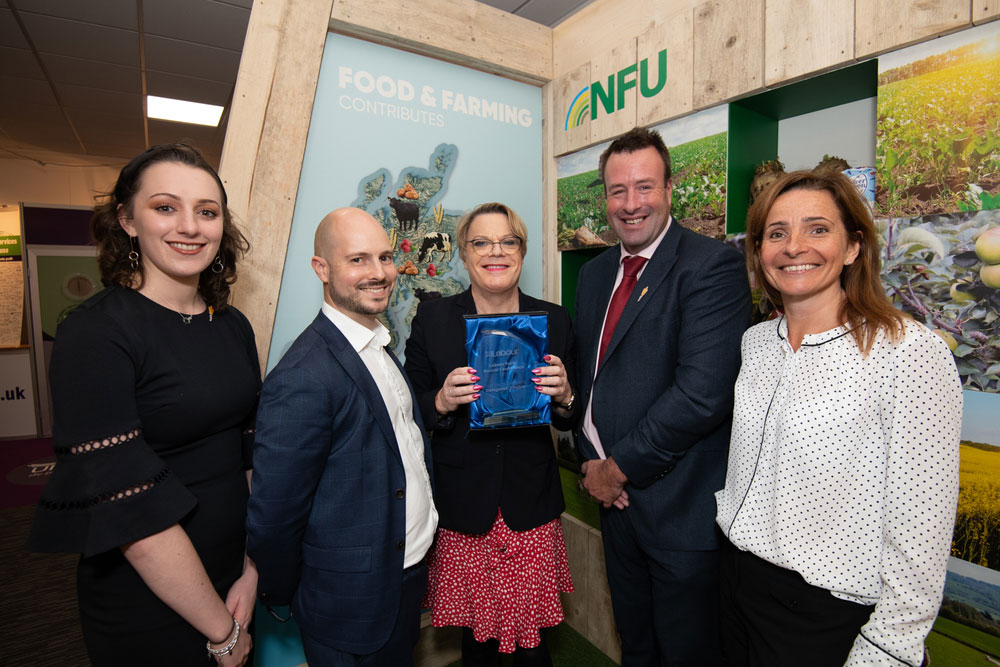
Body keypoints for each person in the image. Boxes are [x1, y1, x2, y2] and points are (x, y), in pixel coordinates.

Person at [715, 170, 962, 667]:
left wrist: (888, 649)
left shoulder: (908, 352)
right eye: (777, 233)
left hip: (824, 614)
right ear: (760, 250)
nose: (794, 247)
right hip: (735, 584)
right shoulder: (757, 343)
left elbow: (922, 529)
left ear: (853, 246)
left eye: (818, 229)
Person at [28, 144, 259, 666]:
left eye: (207, 211)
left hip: (236, 578)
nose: (190, 226)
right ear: (126, 220)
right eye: (164, 207)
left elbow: (249, 454)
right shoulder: (95, 332)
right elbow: (131, 513)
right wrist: (222, 632)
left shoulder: (231, 324)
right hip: (152, 594)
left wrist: (253, 566)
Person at [573, 127, 750, 666]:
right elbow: (591, 382)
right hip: (615, 505)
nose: (631, 204)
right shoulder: (595, 272)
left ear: (670, 188)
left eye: (645, 187)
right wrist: (592, 465)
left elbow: (702, 395)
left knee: (686, 653)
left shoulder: (711, 266)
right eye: (617, 190)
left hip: (678, 513)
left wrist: (617, 468)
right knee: (637, 644)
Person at [246, 207, 437, 666]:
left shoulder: (377, 343)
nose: (379, 273)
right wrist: (296, 590)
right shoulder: (304, 375)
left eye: (386, 257)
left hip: (403, 573)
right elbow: (274, 515)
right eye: (358, 260)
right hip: (349, 601)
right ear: (322, 269)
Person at [404, 202, 576, 667]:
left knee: (534, 642)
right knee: (478, 642)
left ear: (521, 251)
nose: (494, 252)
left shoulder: (553, 321)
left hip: (531, 499)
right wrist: (440, 400)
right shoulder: (433, 320)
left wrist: (564, 396)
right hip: (466, 501)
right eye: (481, 242)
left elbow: (569, 418)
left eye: (507, 241)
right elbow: (408, 409)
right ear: (463, 253)